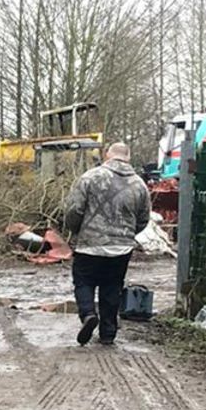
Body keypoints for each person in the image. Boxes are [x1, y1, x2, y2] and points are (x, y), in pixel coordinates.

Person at [63, 141, 152, 346]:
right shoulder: (140, 184)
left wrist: (77, 230)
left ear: (107, 155)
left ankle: (87, 314)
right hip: (121, 248)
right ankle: (108, 333)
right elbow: (143, 219)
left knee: (84, 281)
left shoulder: (90, 177)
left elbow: (74, 210)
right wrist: (127, 234)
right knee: (112, 287)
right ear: (128, 157)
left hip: (90, 244)